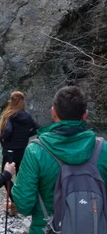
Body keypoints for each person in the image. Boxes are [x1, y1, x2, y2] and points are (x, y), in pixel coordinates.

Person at [11, 86, 107, 234]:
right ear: (85, 115)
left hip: (47, 229)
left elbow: (23, 204)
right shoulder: (104, 149)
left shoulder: (36, 150)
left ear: (53, 112)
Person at [0, 91, 38, 175]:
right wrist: (27, 135)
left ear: (12, 101)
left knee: (5, 177)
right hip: (22, 151)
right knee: (20, 176)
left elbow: (8, 130)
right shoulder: (27, 116)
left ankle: (10, 189)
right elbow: (37, 128)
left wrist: (3, 138)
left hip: (9, 151)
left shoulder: (10, 115)